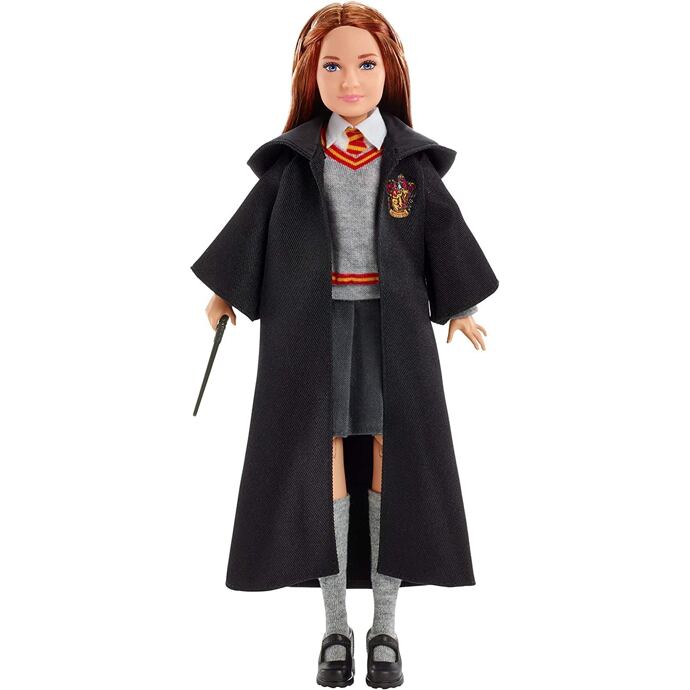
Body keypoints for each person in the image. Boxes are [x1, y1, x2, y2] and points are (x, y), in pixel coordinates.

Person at [191, 3, 499, 687]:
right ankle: (335, 626)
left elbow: (444, 233)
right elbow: (253, 229)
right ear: (312, 74)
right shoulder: (297, 163)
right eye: (332, 66)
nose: (350, 81)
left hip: (393, 332)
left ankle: (385, 626)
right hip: (312, 328)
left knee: (395, 459)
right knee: (319, 457)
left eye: (365, 65)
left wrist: (460, 306)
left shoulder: (408, 163)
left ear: (389, 71)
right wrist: (224, 291)